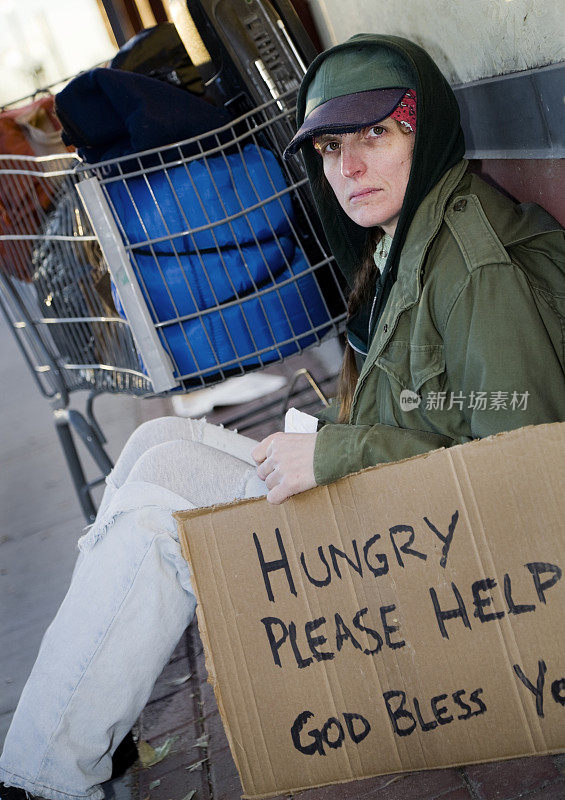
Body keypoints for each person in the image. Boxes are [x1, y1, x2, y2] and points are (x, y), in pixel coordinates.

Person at [1, 32, 564, 800]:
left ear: (422, 130)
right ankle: (81, 720)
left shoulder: (472, 270)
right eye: (331, 147)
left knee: (158, 509)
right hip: (403, 510)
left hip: (447, 577)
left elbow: (523, 466)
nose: (348, 168)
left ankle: (43, 779)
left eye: (375, 135)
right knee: (162, 442)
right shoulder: (412, 228)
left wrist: (335, 457)